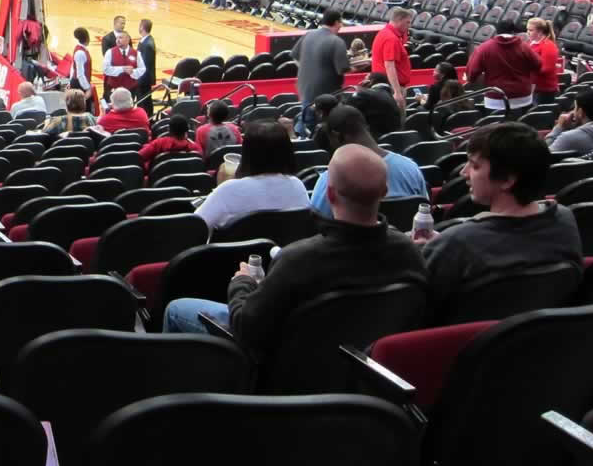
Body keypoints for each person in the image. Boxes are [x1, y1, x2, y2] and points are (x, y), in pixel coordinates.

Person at [163, 143, 425, 348]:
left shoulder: (298, 260)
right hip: (357, 366)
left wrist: (242, 284)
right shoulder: (409, 252)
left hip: (283, 365)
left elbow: (246, 329)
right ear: (384, 191)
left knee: (177, 309)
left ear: (330, 193)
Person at [420, 123, 582, 311]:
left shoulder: (456, 243)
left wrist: (434, 249)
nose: (464, 173)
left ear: (507, 180)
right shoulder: (565, 218)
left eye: (475, 165)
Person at [308, 104, 427, 217]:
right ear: (366, 128)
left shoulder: (331, 179)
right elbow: (425, 213)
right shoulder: (411, 168)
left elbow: (316, 223)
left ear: (337, 136)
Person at [193, 120, 311, 231]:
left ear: (247, 152)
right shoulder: (297, 185)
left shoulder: (228, 190)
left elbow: (194, 227)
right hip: (283, 252)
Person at [466, 20, 540, 112]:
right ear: (513, 32)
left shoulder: (484, 48)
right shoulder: (524, 47)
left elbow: (471, 74)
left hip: (495, 99)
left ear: (496, 31)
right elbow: (538, 65)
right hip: (523, 97)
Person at [296, 10, 350, 131]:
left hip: (305, 87)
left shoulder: (308, 34)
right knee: (327, 124)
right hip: (327, 93)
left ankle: (299, 140)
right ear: (336, 22)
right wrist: (359, 66)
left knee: (306, 119)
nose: (341, 25)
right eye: (340, 22)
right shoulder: (337, 41)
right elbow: (342, 70)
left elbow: (295, 57)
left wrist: (309, 71)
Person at [545, 88, 593, 157]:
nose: (573, 111)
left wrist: (559, 127)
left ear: (580, 112)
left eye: (575, 108)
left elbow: (544, 154)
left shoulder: (568, 137)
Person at [370, 8, 414, 109]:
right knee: (397, 120)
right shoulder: (391, 39)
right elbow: (389, 66)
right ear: (399, 20)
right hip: (391, 88)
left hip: (385, 86)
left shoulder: (385, 33)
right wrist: (397, 92)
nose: (409, 26)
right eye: (407, 22)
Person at [527, 18, 561, 101]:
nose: (527, 32)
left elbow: (545, 69)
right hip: (533, 88)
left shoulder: (548, 46)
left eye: (531, 30)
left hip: (544, 90)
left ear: (540, 32)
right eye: (527, 29)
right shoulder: (530, 43)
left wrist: (524, 69)